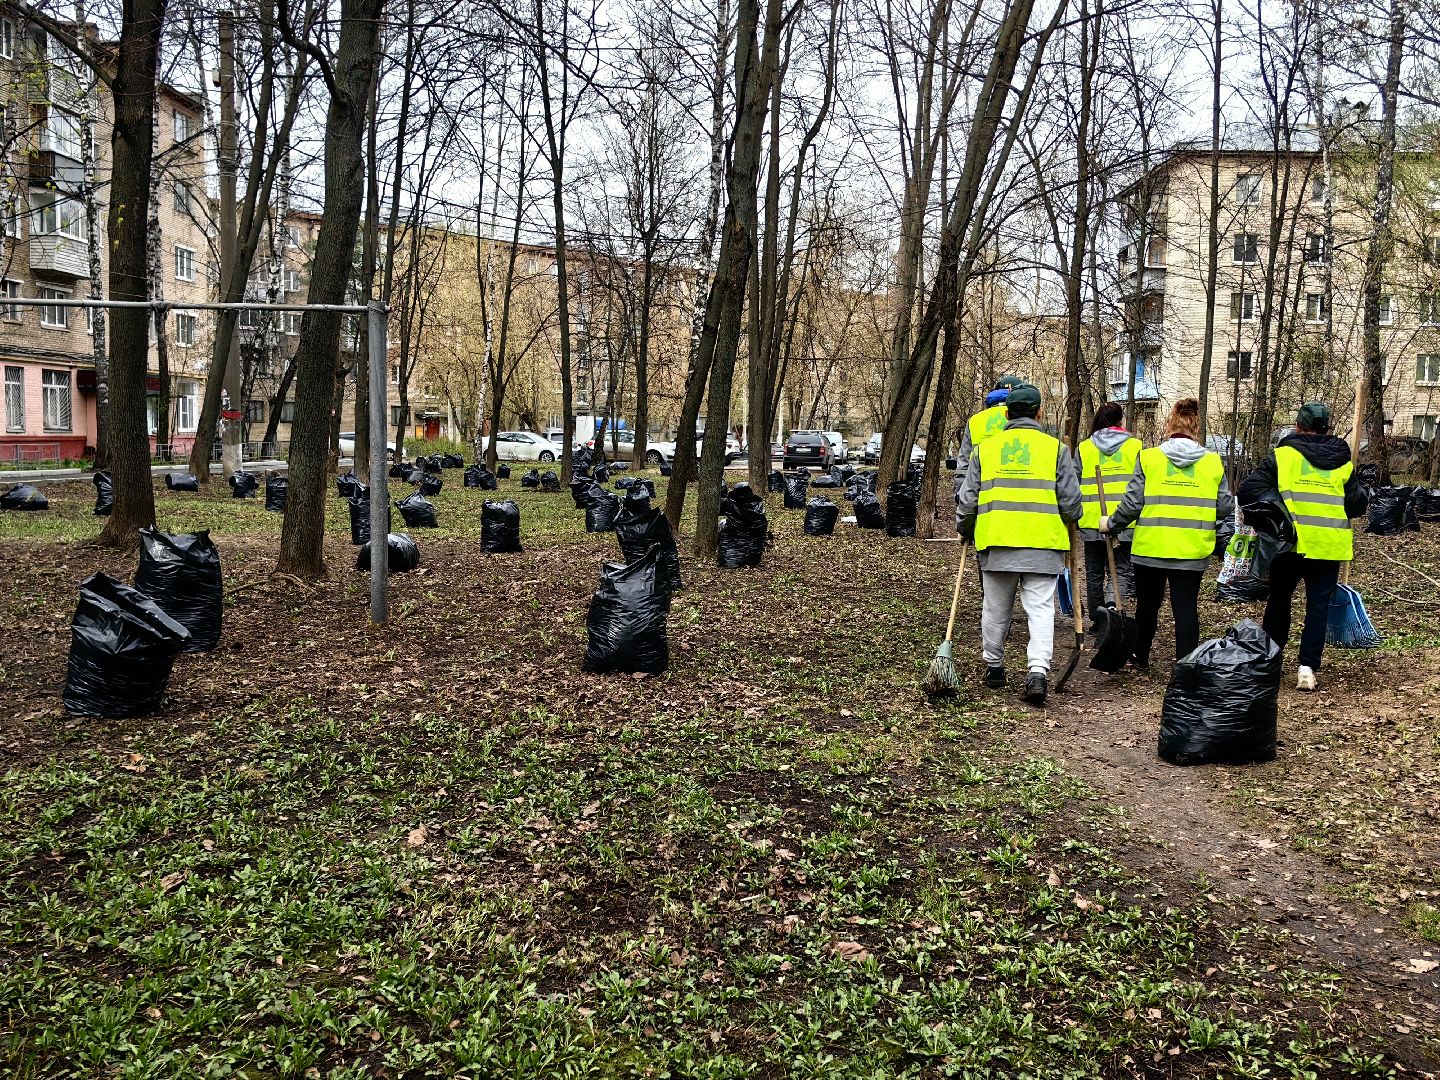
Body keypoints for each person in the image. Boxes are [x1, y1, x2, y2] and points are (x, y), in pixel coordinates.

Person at [956, 383, 1082, 706]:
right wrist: (1072, 514)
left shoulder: (985, 450)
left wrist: (965, 528)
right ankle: (1037, 672)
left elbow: (968, 500)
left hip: (997, 543)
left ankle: (994, 667)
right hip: (1043, 545)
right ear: (1039, 413)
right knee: (1040, 610)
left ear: (1007, 414)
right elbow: (1071, 505)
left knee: (995, 609)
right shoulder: (1056, 450)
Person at [1238, 402, 1368, 690]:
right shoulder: (1343, 463)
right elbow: (1357, 505)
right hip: (1327, 545)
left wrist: (1278, 512)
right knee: (1318, 607)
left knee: (1279, 601)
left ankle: (1269, 662)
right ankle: (1307, 669)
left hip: (1289, 543)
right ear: (1327, 429)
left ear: (1297, 426)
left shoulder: (1282, 457)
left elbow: (1248, 491)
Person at [1101, 398, 1232, 670]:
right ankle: (1186, 665)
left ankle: (1140, 656)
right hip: (1192, 548)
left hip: (1152, 547)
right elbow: (1224, 506)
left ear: (1169, 425)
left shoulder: (1149, 458)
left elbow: (1132, 503)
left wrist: (1111, 524)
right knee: (1185, 608)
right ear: (1196, 427)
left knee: (1147, 606)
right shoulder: (1212, 462)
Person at [1077, 403, 1141, 620]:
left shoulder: (1084, 447)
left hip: (1092, 519)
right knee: (1121, 569)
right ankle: (1112, 613)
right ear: (1120, 420)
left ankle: (1099, 618)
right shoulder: (1135, 446)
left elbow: (1074, 482)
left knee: (1094, 572)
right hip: (1124, 519)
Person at [954, 374, 1028, 488]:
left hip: (981, 490)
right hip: (1019, 488)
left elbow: (964, 464)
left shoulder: (975, 421)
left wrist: (959, 492)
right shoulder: (1026, 418)